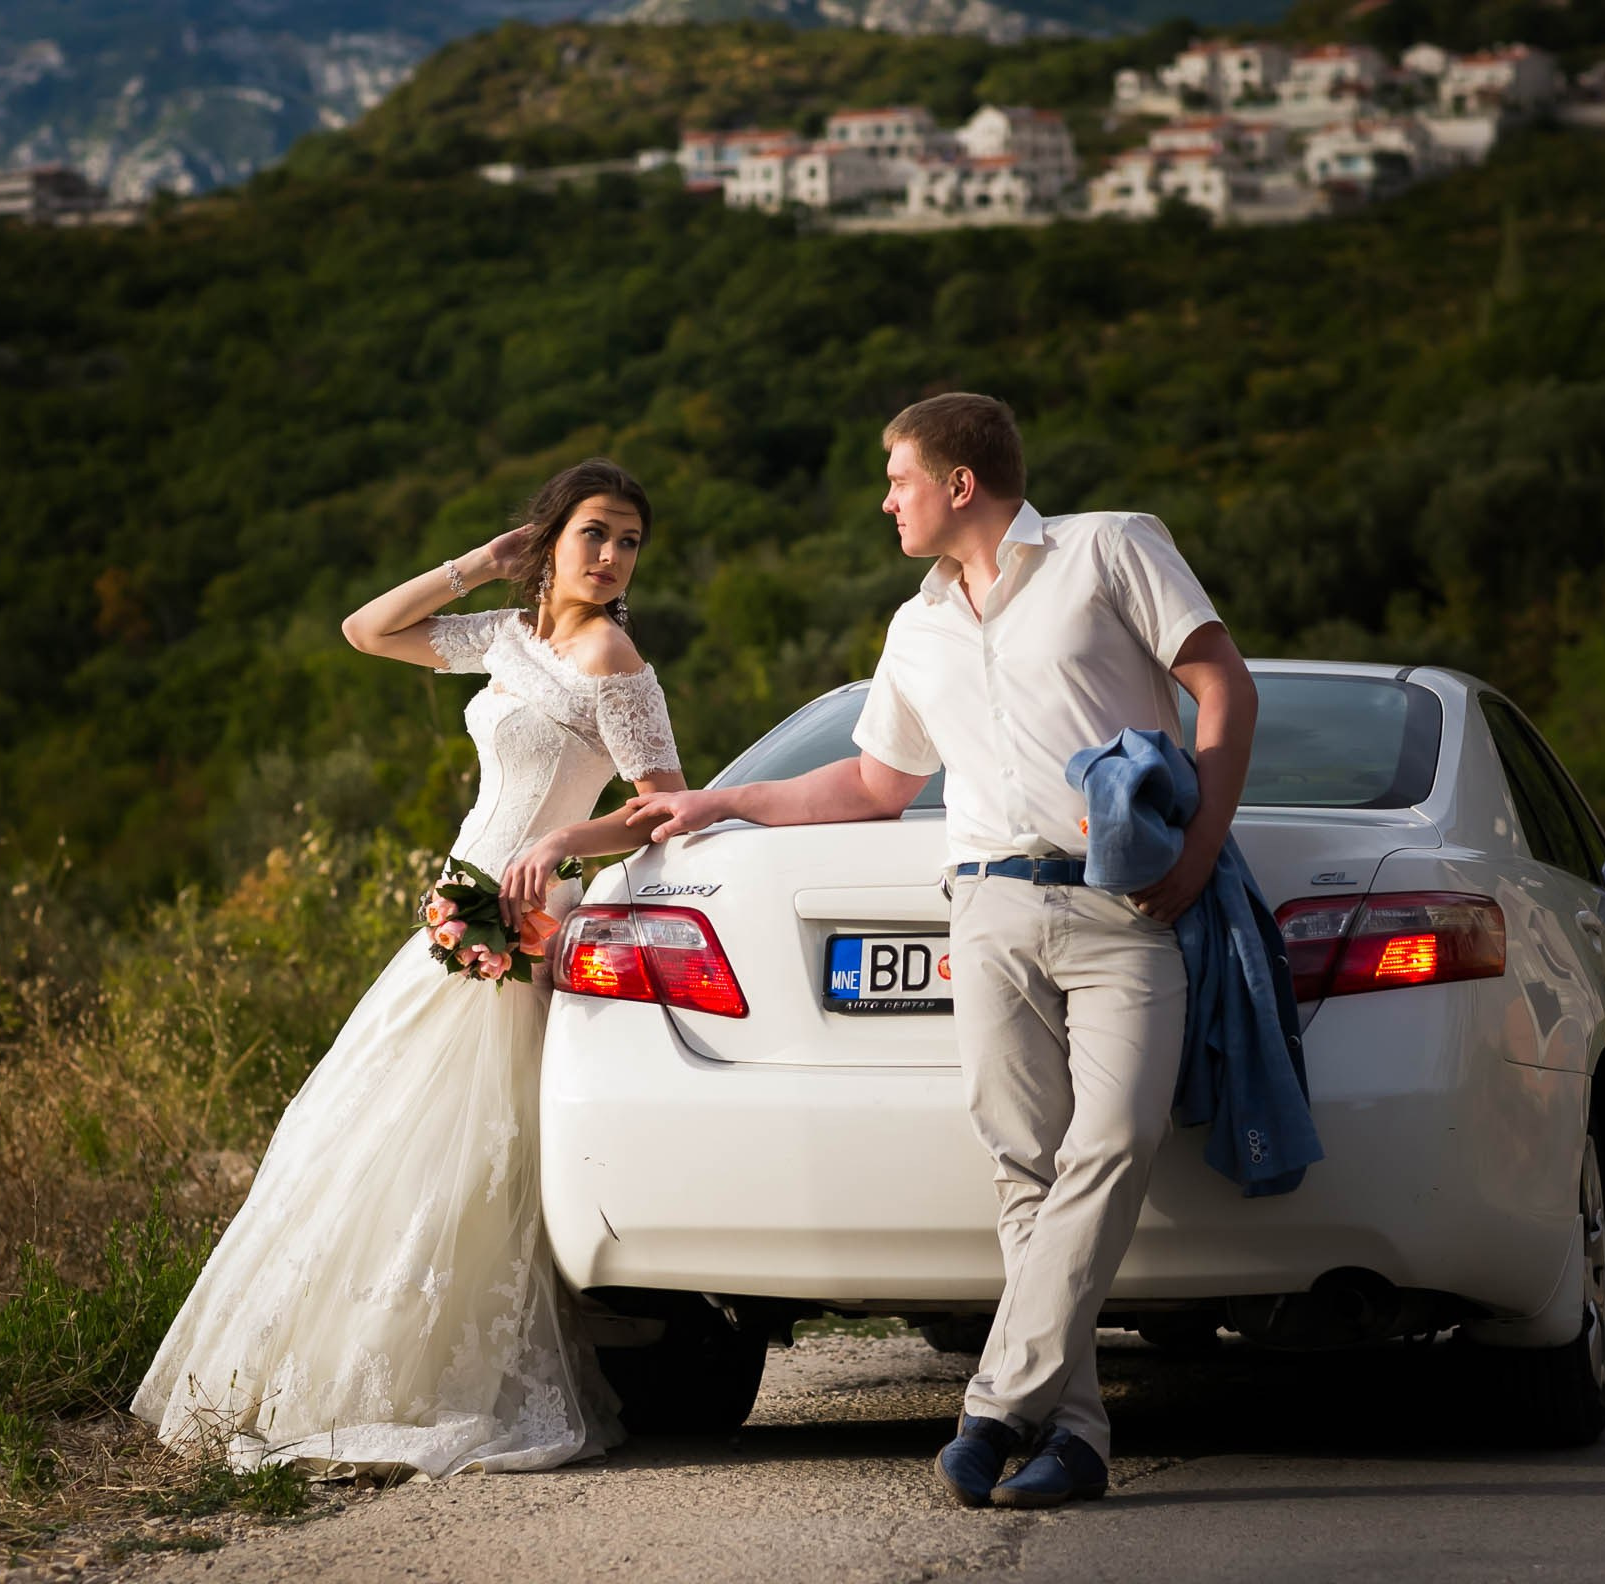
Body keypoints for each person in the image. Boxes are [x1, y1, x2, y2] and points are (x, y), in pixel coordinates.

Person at [624, 394, 1257, 1509]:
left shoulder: (1110, 547)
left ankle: (995, 1405)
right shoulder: (914, 626)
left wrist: (1201, 850)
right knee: (1023, 1166)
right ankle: (1075, 1441)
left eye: (899, 478)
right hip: (989, 910)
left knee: (1113, 1144)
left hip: (1129, 907)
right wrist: (719, 802)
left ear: (960, 484)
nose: (886, 500)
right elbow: (874, 784)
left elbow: (1223, 683)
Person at [132, 459, 687, 1477]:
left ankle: (436, 1373)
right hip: (457, 902)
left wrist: (568, 837)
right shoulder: (510, 641)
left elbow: (663, 802)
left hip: (521, 915)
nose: (612, 558)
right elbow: (365, 630)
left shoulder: (613, 657)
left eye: (630, 542)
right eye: (594, 534)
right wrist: (478, 564)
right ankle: (328, 1365)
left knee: (472, 1143)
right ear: (551, 538)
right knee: (373, 1126)